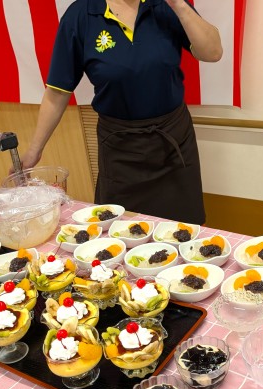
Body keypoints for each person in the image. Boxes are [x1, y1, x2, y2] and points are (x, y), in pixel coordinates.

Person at [18, 0, 222, 225]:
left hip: (173, 142)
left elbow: (213, 52)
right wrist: (34, 151)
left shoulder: (165, 6)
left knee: (184, 228)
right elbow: (57, 93)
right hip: (120, 148)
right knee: (119, 227)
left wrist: (179, 5)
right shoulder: (81, 15)